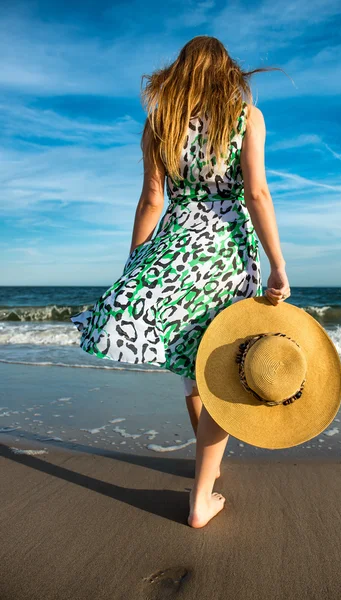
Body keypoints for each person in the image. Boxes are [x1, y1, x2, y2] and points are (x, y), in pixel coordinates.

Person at [71, 35, 291, 528]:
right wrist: (278, 263)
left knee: (195, 366)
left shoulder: (160, 124)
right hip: (226, 252)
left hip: (174, 246)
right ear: (225, 70)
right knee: (220, 365)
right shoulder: (244, 117)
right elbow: (255, 192)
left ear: (180, 71)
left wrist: (135, 265)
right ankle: (201, 496)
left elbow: (152, 199)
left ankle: (206, 466)